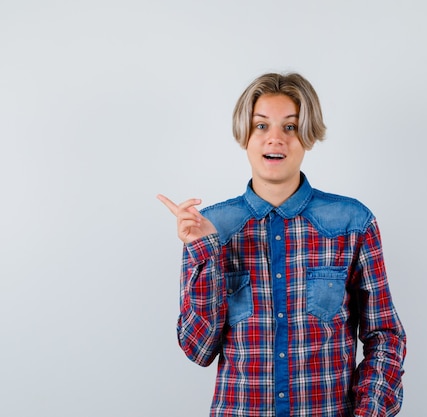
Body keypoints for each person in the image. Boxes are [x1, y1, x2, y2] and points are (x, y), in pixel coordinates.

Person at [157, 72, 406, 417]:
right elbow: (198, 349)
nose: (275, 139)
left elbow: (385, 335)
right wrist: (204, 251)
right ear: (245, 135)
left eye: (289, 127)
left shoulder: (352, 222)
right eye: (261, 126)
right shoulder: (210, 228)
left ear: (308, 136)